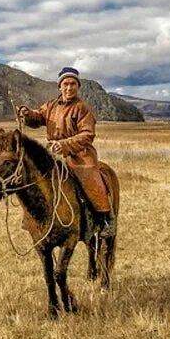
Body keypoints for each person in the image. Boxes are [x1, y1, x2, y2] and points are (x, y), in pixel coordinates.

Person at [17, 66, 116, 237]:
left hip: (80, 155)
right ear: (59, 86)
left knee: (90, 178)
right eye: (65, 84)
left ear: (78, 86)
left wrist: (64, 145)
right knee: (33, 177)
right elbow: (37, 117)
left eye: (72, 84)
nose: (69, 88)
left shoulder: (82, 108)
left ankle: (106, 219)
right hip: (52, 153)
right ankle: (32, 218)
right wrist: (26, 114)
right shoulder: (51, 105)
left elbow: (87, 134)